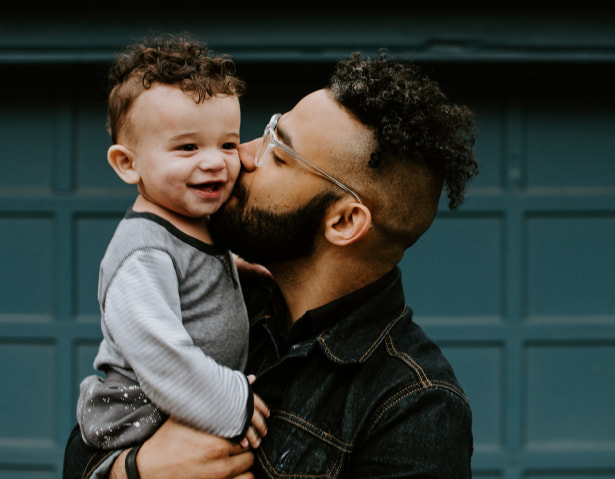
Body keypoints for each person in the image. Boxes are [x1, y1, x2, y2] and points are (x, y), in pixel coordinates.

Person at [64, 50, 479, 478]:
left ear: (344, 220)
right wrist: (135, 471)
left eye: (278, 155)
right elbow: (87, 442)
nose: (239, 156)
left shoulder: (414, 406)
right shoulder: (221, 295)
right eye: (265, 134)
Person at [74, 33, 269, 456]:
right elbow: (160, 352)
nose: (215, 160)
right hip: (140, 414)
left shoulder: (195, 222)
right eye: (187, 147)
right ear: (128, 164)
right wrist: (231, 402)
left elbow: (192, 269)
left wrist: (234, 267)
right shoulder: (142, 254)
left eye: (228, 144)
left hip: (185, 403)